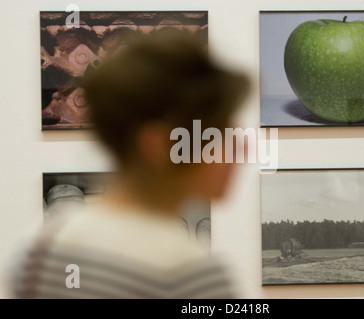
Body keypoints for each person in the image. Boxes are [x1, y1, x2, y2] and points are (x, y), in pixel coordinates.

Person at [10, 32, 249, 298]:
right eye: (220, 134)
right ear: (157, 145)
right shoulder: (189, 274)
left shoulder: (39, 251)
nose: (242, 147)